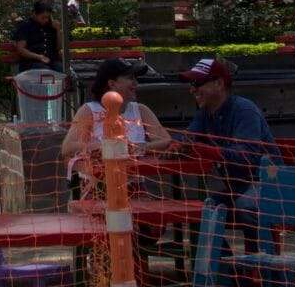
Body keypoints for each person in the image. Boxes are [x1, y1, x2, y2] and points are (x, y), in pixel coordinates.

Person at [180, 56, 278, 235]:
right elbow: (187, 137)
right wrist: (176, 145)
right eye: (191, 84)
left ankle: (264, 259)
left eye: (198, 83)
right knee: (203, 210)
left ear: (219, 83)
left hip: (268, 184)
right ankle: (222, 263)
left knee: (247, 206)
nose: (192, 89)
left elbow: (246, 156)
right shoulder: (205, 113)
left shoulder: (244, 110)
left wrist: (208, 151)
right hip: (239, 187)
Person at [61, 58, 169, 171]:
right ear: (112, 83)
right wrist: (110, 147)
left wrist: (135, 148)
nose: (136, 83)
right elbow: (68, 148)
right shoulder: (89, 110)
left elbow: (166, 141)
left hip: (135, 183)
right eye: (130, 78)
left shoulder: (141, 110)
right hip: (98, 182)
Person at [2, 0, 62, 74]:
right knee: (46, 72)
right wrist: (38, 57)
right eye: (43, 17)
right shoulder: (26, 25)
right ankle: (50, 87)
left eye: (48, 17)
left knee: (62, 69)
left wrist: (58, 30)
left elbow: (59, 47)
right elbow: (21, 49)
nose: (46, 20)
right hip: (31, 63)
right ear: (35, 14)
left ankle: (60, 87)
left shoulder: (50, 26)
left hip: (51, 61)